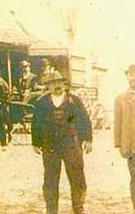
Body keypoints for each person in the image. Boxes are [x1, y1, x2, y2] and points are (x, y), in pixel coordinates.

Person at [32, 70, 93, 214]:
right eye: (52, 84)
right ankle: (51, 209)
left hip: (71, 144)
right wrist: (35, 142)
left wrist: (88, 140)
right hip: (50, 146)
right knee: (50, 178)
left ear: (64, 84)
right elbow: (36, 123)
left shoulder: (74, 101)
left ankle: (78, 207)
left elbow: (84, 121)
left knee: (77, 176)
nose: (56, 86)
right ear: (48, 86)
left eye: (58, 83)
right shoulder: (42, 102)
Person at [114, 64, 135, 214]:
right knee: (134, 176)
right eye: (130, 75)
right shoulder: (120, 99)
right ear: (127, 77)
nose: (132, 78)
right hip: (130, 144)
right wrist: (118, 143)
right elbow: (118, 122)